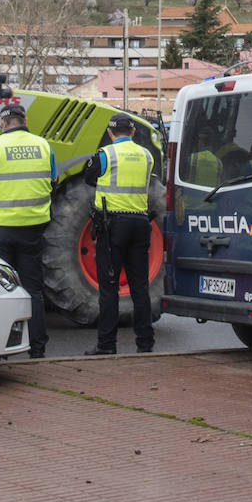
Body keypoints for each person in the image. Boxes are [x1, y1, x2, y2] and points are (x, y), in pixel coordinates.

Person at [0, 103, 57, 358]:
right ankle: (38, 350)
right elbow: (53, 182)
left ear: (3, 124)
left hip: (1, 231)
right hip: (34, 230)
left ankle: (3, 351)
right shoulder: (43, 146)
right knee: (33, 290)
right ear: (24, 120)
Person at [83, 112, 155, 355]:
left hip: (113, 224)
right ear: (133, 132)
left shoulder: (105, 154)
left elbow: (89, 177)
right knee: (140, 287)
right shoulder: (147, 155)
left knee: (109, 288)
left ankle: (106, 345)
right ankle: (145, 344)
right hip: (141, 223)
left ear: (111, 132)